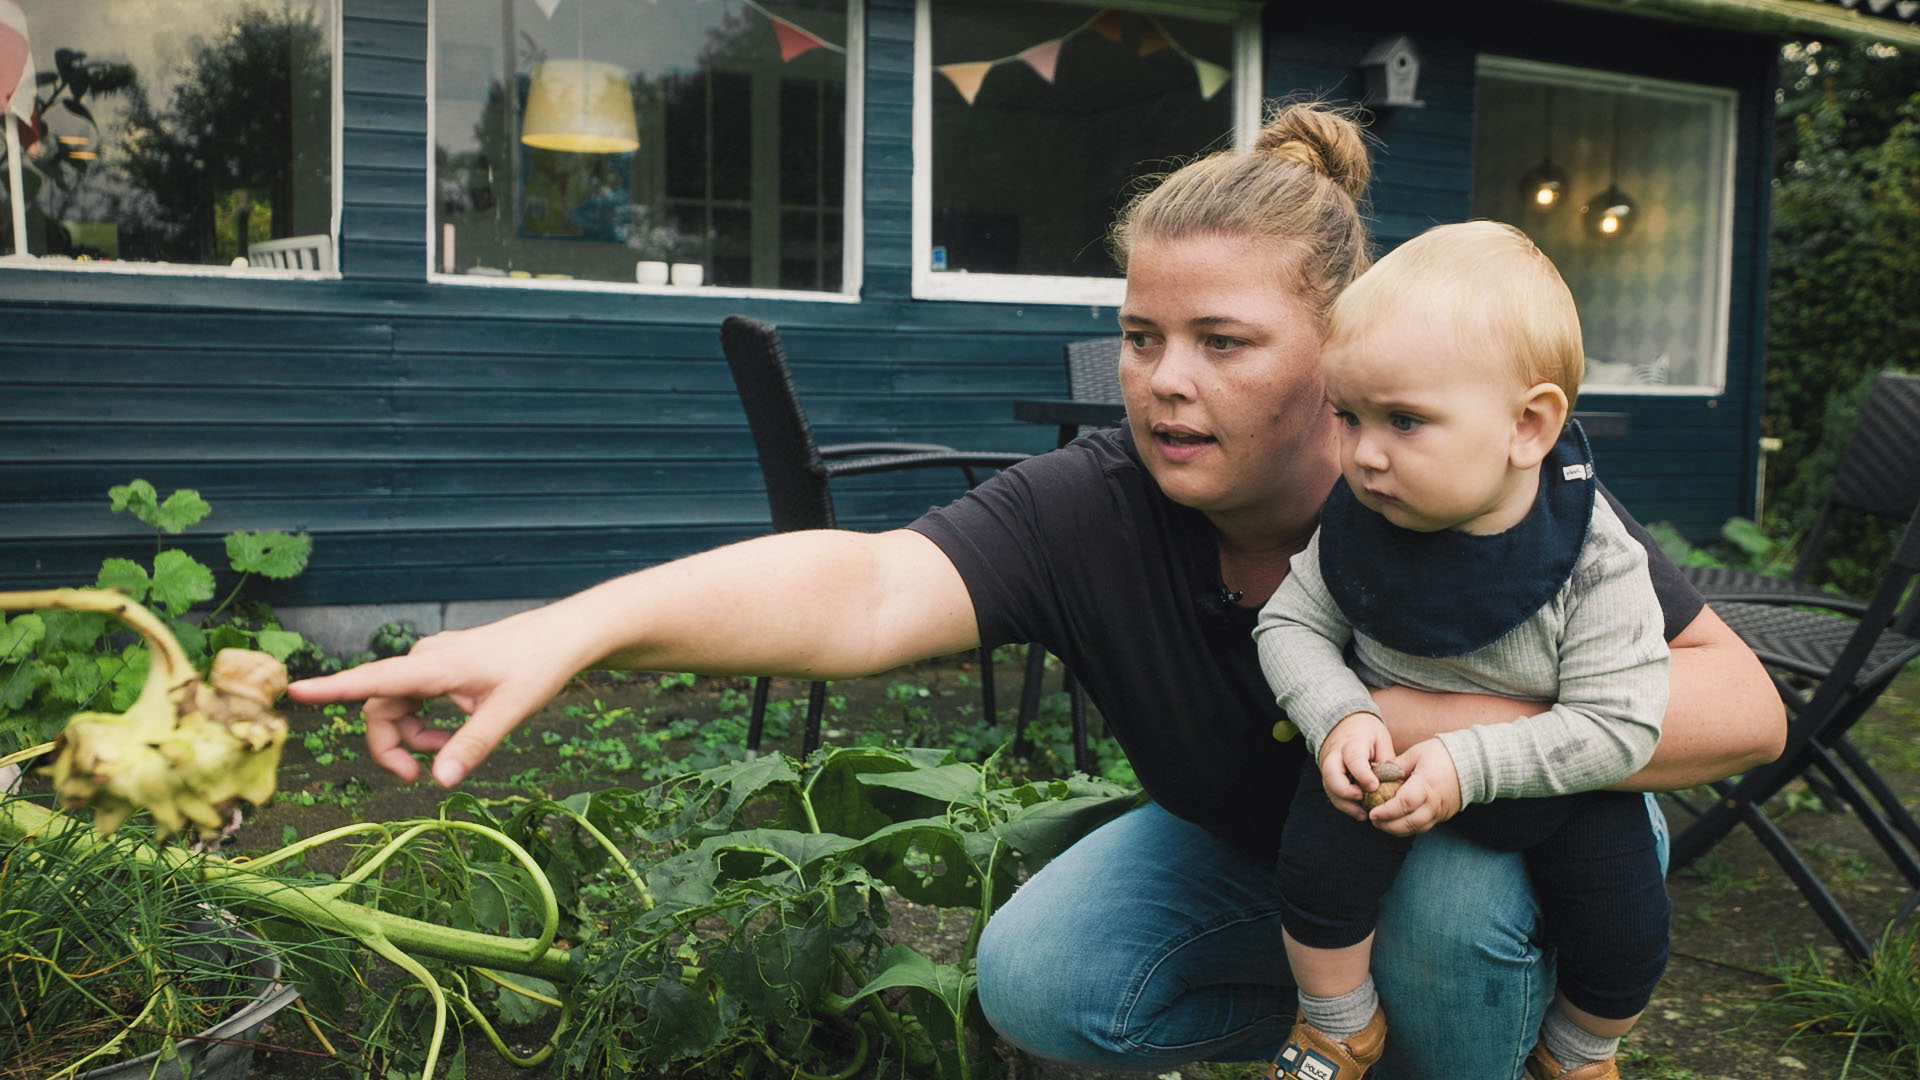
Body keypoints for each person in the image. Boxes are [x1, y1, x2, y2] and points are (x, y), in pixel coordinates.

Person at [287, 102, 1784, 1080]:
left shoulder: (1463, 483)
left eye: (1221, 341)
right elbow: (866, 588)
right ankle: (1355, 1023)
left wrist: (1453, 740)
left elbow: (1741, 701)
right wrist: (571, 628)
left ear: (1341, 351)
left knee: (1452, 907)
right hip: (1271, 857)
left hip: (1512, 840)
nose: (1163, 384)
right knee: (1040, 975)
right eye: (1139, 337)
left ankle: (1478, 1033)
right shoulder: (1099, 508)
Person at [1254, 221, 1670, 1080]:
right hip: (1389, 762)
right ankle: (1337, 1022)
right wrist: (1338, 715)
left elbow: (1622, 726)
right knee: (1318, 863)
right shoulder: (1360, 527)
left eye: (1405, 420)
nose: (1364, 455)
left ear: (1528, 425)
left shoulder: (1594, 555)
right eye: (1350, 416)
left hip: (1554, 776)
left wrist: (1470, 762)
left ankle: (1580, 1053)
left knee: (1625, 927)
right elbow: (1289, 624)